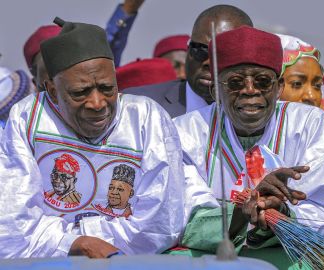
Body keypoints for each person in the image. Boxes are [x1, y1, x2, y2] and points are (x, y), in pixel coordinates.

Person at [0, 17, 217, 258]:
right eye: (80, 92)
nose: (97, 103)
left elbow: (160, 223)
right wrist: (76, 243)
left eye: (107, 88)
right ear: (52, 90)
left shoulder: (146, 116)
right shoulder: (28, 117)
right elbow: (13, 226)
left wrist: (74, 236)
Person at [172, 26, 324, 269]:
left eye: (262, 81)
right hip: (213, 258)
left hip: (289, 257)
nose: (250, 90)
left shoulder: (311, 125)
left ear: (279, 87)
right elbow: (181, 217)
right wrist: (241, 214)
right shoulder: (183, 132)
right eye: (235, 82)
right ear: (215, 90)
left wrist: (282, 211)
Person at [123, 4, 253, 118]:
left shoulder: (261, 114)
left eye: (222, 54)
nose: (208, 62)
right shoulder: (136, 105)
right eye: (200, 50)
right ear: (188, 48)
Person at [23, 0, 144, 92]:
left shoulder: (101, 107)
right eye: (51, 70)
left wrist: (127, 11)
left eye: (70, 61)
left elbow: (107, 45)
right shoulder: (22, 121)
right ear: (35, 83)